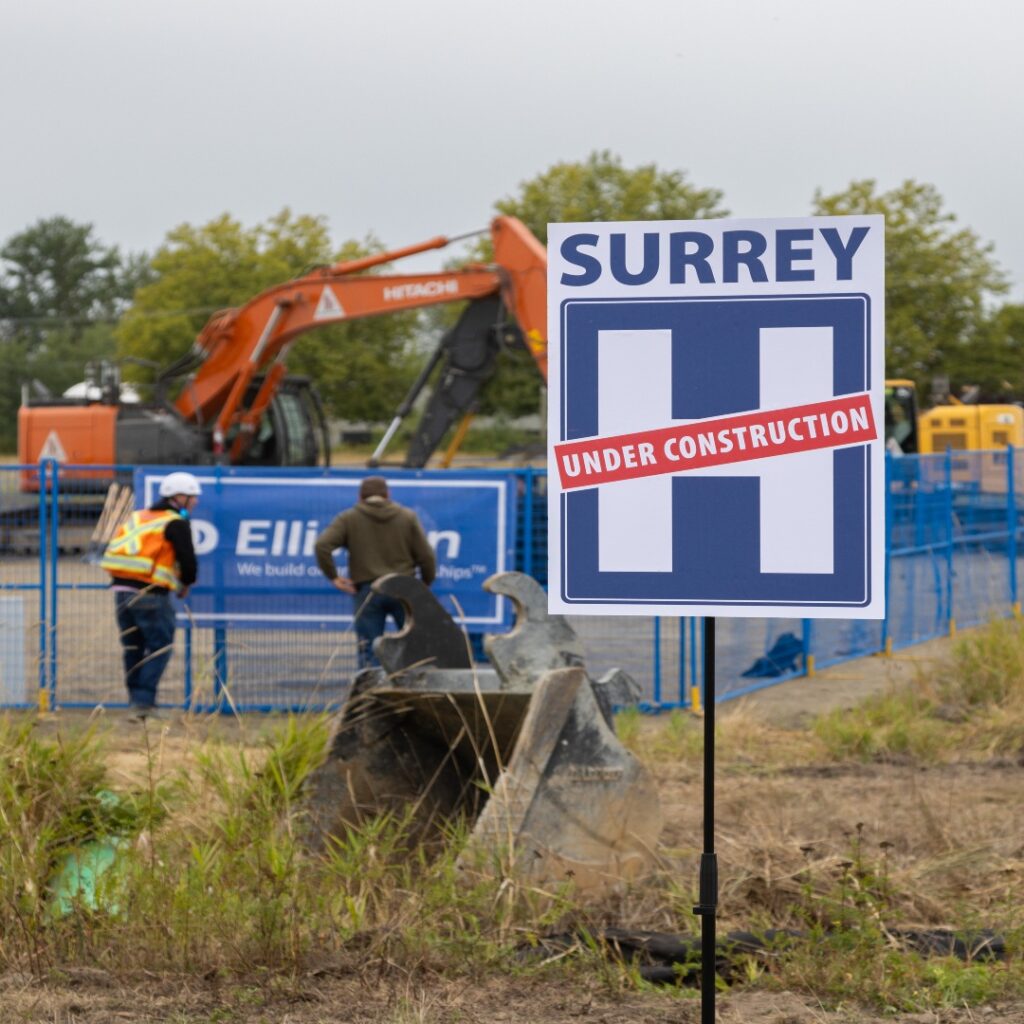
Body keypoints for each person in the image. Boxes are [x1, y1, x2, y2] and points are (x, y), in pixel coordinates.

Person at [100, 471, 201, 719]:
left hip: (121, 592)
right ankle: (143, 703)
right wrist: (186, 582)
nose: (195, 502)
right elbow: (188, 561)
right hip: (150, 594)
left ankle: (136, 701)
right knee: (159, 647)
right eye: (192, 497)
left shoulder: (139, 517)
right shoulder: (175, 522)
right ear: (179, 497)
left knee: (133, 647)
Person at [315, 476, 436, 669]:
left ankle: (370, 693)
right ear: (387, 494)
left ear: (360, 497)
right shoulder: (407, 517)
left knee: (369, 651)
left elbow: (322, 545)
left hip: (368, 590)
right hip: (404, 589)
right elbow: (427, 556)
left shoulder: (349, 518)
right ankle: (418, 691)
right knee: (415, 647)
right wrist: (426, 582)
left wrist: (333, 576)